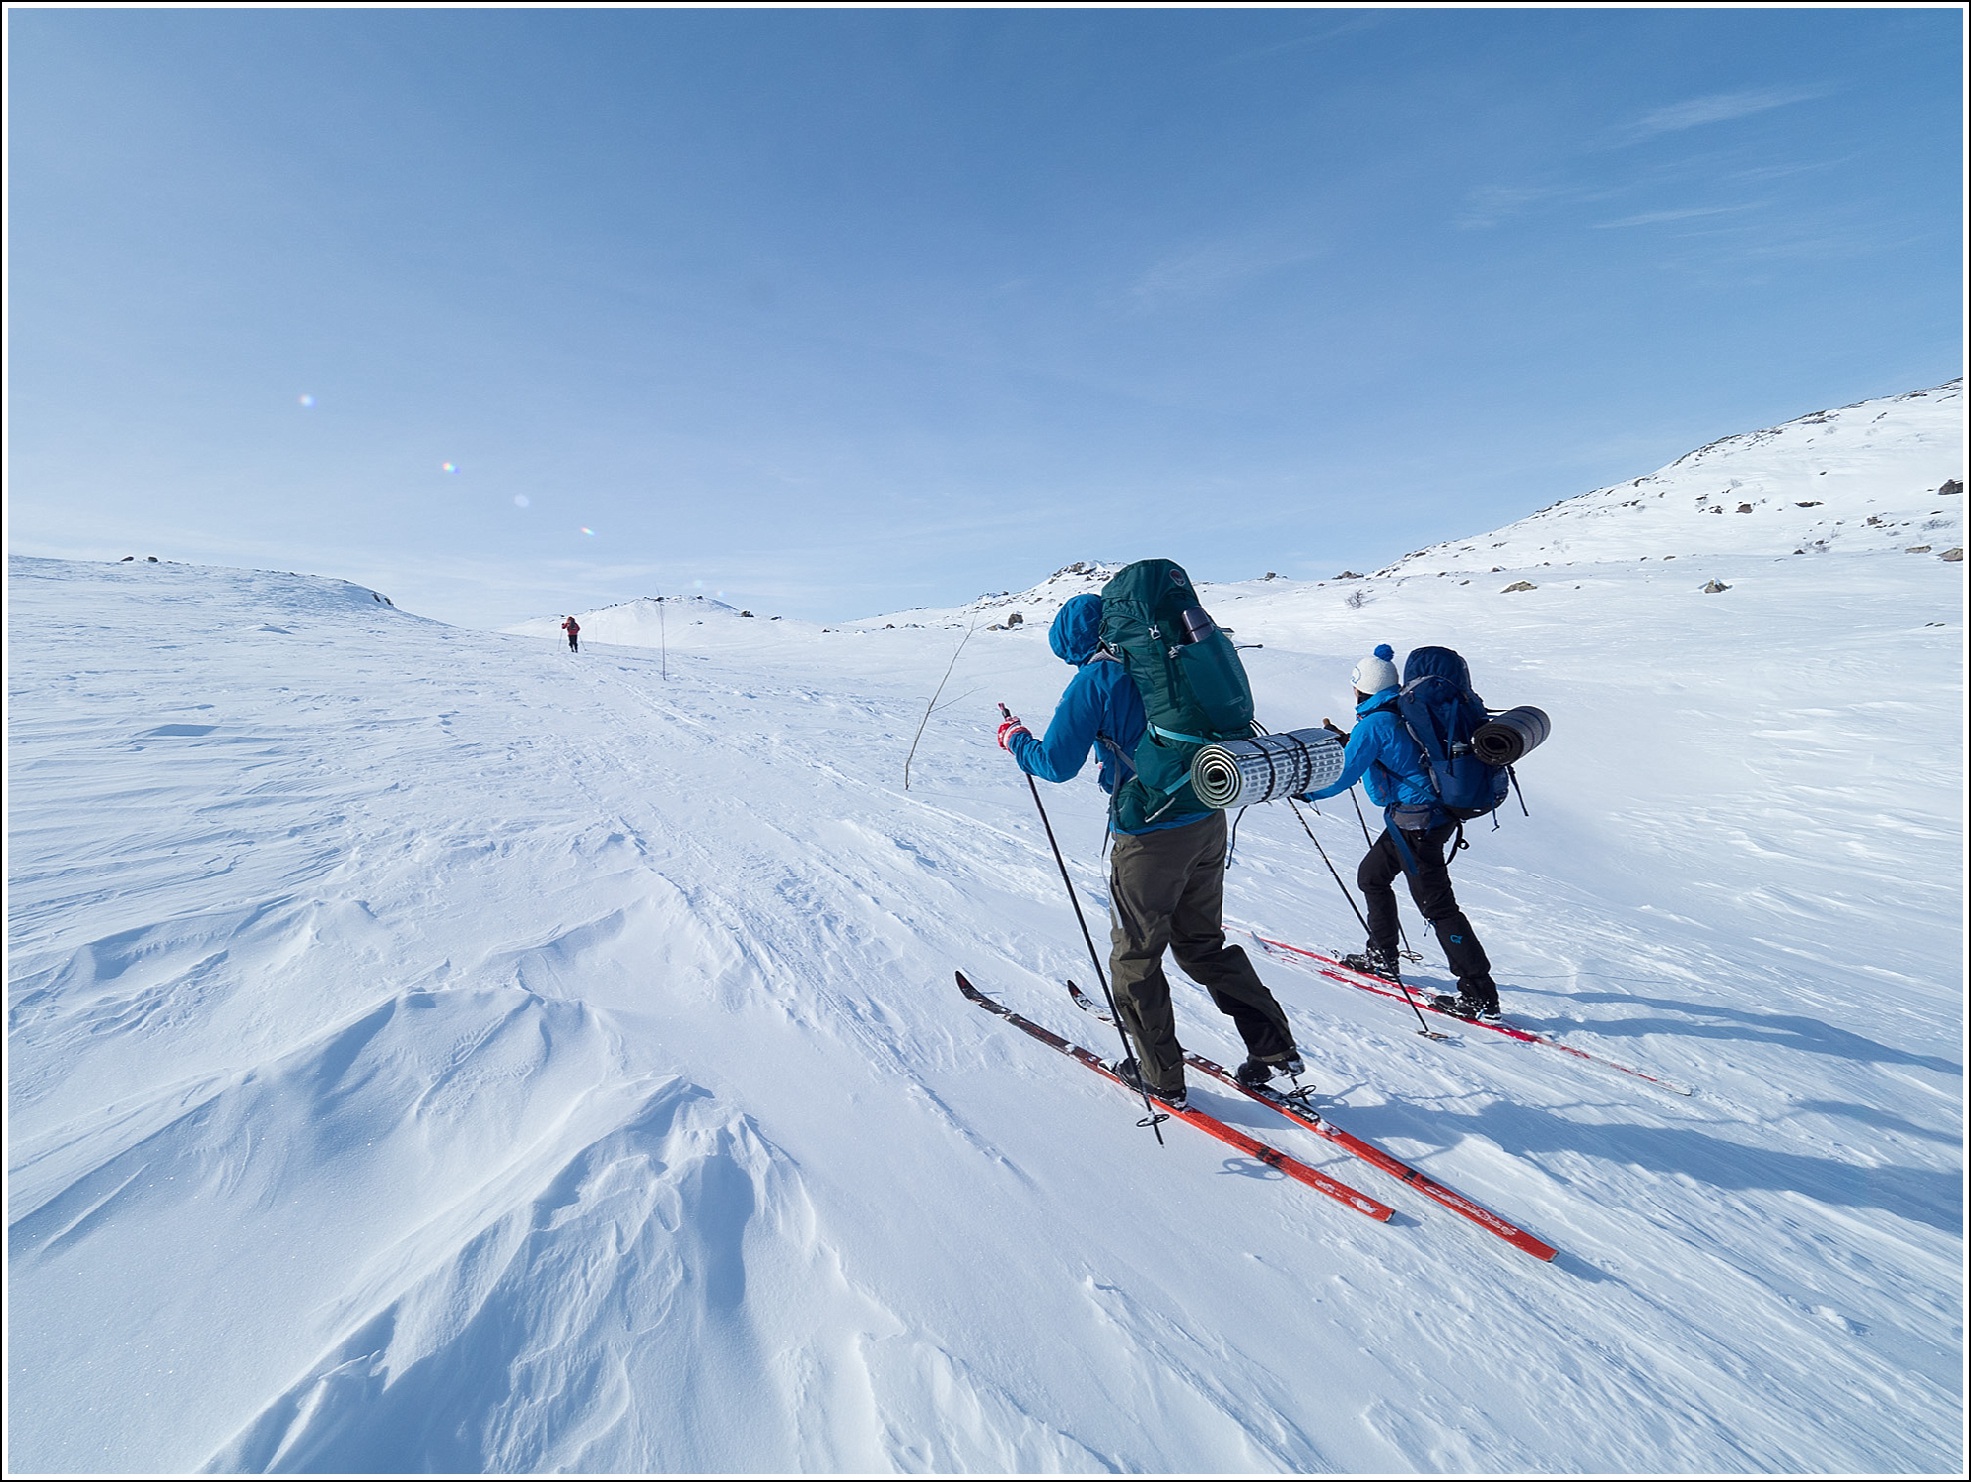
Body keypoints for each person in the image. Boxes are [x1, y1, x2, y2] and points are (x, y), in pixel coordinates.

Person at [997, 593, 1302, 1110]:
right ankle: (1273, 1046)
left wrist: (1014, 739)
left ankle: (1161, 1076)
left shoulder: (1096, 680)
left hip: (1149, 835)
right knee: (1202, 944)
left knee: (1135, 957)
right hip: (1207, 813)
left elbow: (1054, 763)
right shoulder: (1172, 665)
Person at [1302, 644, 1501, 1020]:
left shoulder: (1375, 723)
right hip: (1424, 818)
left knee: (1438, 907)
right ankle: (1382, 953)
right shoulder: (1401, 708)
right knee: (1372, 876)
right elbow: (1397, 755)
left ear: (1360, 688)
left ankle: (1480, 995)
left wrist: (1307, 793)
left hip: (1416, 824)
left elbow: (1344, 775)